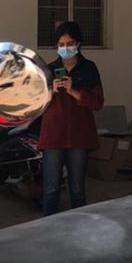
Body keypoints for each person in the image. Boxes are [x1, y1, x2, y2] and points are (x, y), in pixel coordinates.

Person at [37, 20, 104, 215]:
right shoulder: (48, 70)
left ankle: (78, 233)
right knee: (50, 190)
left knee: (77, 189)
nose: (65, 48)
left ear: (78, 44)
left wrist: (73, 90)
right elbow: (37, 103)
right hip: (53, 135)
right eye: (61, 45)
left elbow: (98, 102)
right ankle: (47, 231)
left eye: (69, 44)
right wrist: (52, 91)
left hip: (79, 136)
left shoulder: (89, 68)